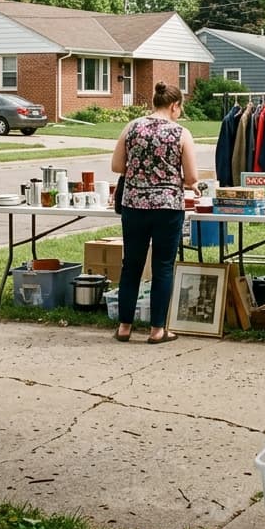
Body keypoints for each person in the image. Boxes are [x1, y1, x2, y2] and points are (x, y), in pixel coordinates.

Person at [110, 82, 198, 344]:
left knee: (131, 266)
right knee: (162, 267)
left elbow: (117, 166)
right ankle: (157, 330)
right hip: (167, 207)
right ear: (174, 105)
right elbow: (192, 176)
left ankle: (125, 326)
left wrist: (141, 176)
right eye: (180, 107)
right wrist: (176, 180)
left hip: (134, 205)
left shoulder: (132, 127)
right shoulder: (181, 133)